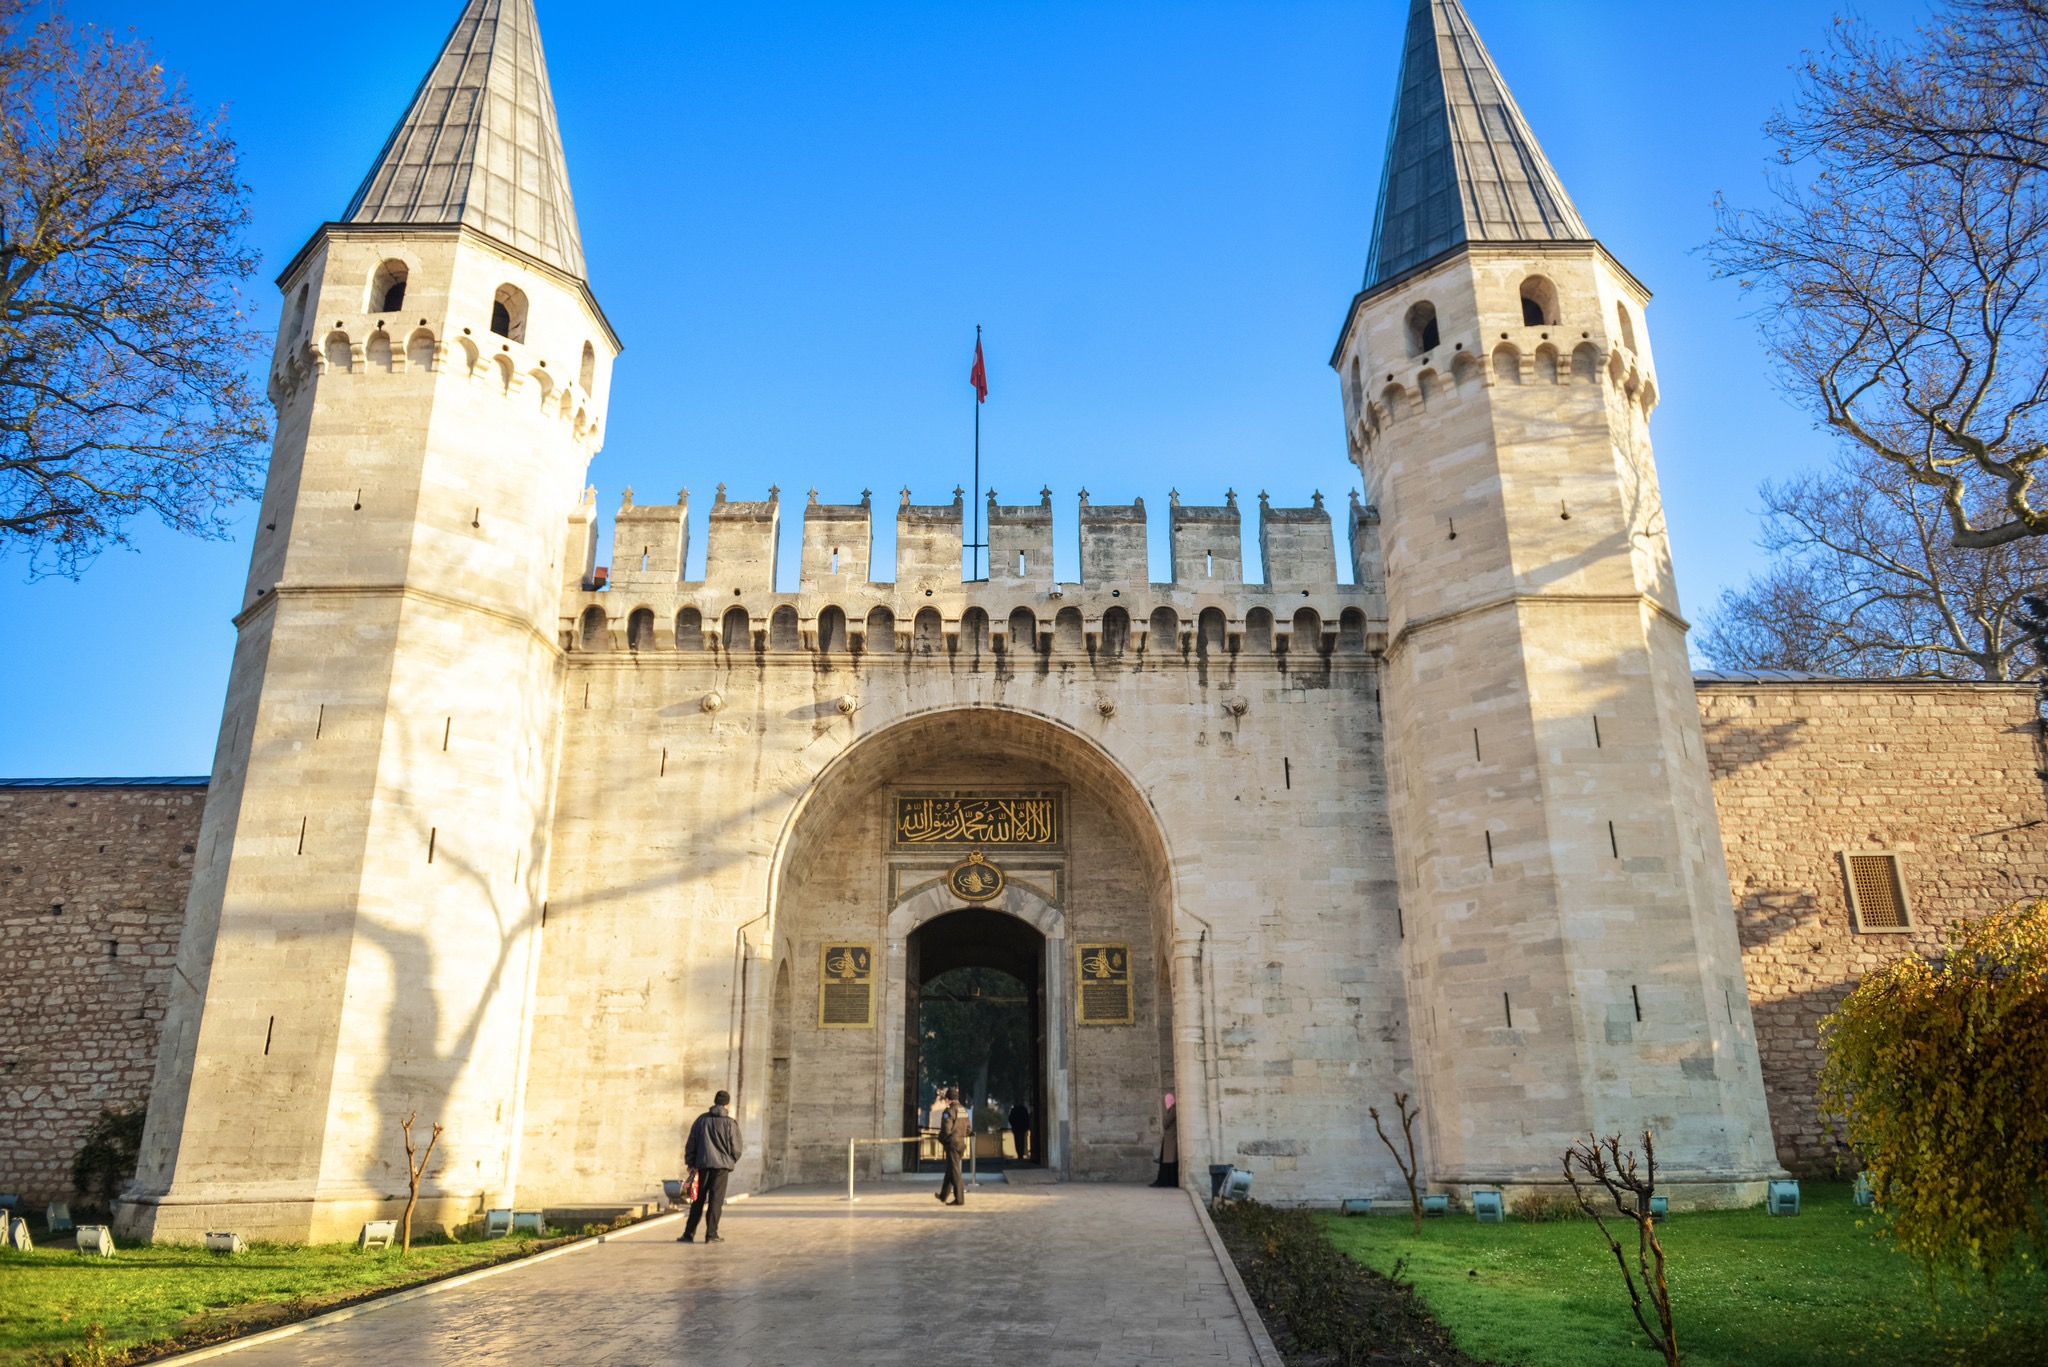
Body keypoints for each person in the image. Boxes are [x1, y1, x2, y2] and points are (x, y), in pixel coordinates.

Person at [678, 1089, 743, 1243]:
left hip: (702, 1165)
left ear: (715, 1102)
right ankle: (711, 1235)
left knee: (697, 1200)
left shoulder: (701, 1120)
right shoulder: (730, 1123)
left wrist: (690, 1163)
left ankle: (688, 1234)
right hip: (721, 1168)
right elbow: (737, 1147)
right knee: (716, 1201)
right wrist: (730, 1160)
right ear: (727, 1104)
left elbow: (691, 1143)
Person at [936, 1087, 970, 1206]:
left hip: (952, 1144)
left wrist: (943, 1140)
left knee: (955, 1171)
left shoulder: (949, 1111)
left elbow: (946, 1130)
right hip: (961, 1142)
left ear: (948, 1099)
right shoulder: (963, 1110)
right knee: (951, 1169)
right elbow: (968, 1128)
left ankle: (959, 1199)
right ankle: (943, 1195)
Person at [1150, 1092, 1179, 1189]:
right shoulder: (1172, 1109)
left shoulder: (1173, 1110)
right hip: (1168, 1139)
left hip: (1171, 1139)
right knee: (1165, 1159)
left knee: (1168, 1160)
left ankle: (1166, 1181)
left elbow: (1166, 1123)